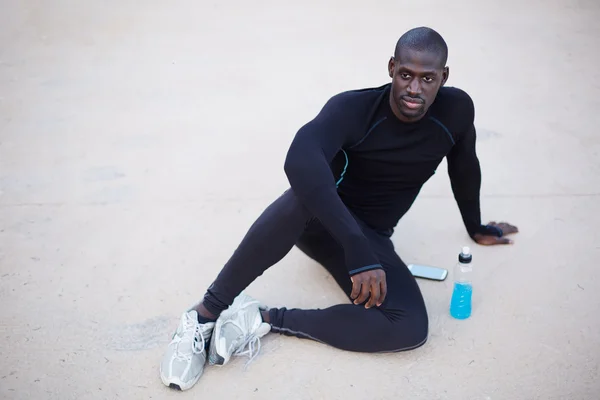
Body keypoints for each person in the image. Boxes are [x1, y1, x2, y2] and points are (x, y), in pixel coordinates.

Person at [159, 26, 518, 391]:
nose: (414, 88)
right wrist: (356, 248)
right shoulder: (354, 110)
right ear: (392, 67)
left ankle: (260, 318)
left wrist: (475, 226)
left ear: (444, 77)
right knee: (306, 190)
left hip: (370, 237)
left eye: (428, 79)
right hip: (321, 221)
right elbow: (299, 159)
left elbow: (464, 163)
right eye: (406, 75)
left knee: (409, 326)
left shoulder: (456, 111)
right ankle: (203, 315)